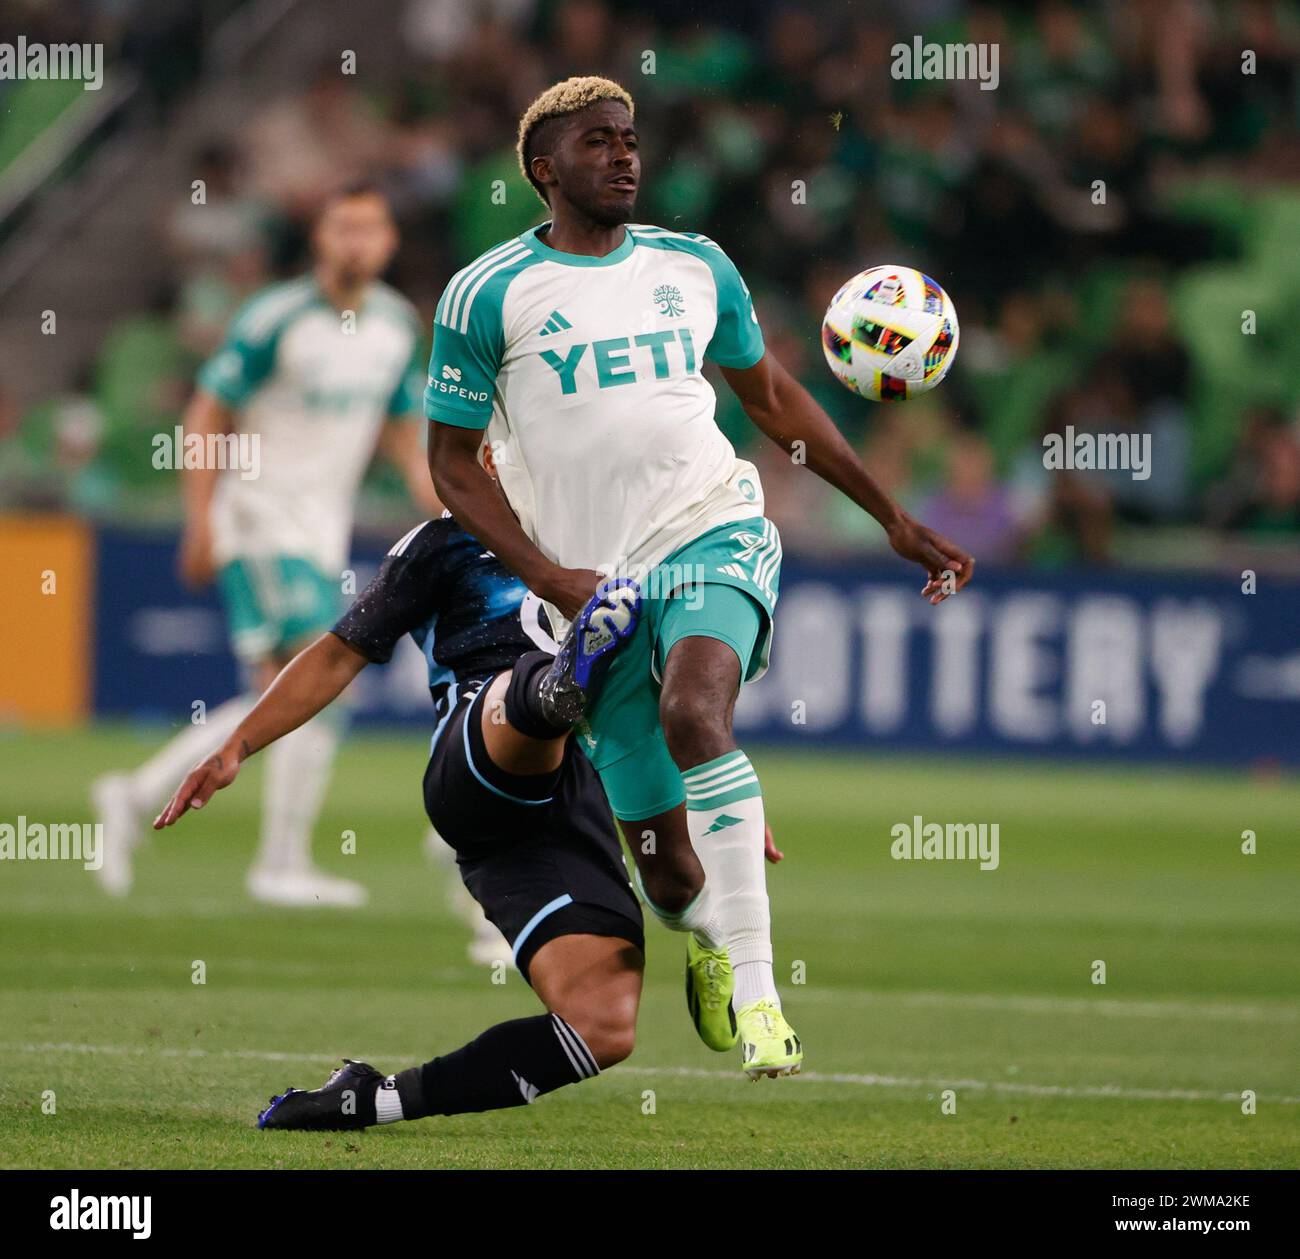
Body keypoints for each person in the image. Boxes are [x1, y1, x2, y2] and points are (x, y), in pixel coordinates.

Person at [425, 77, 975, 1078]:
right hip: (596, 595)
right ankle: (711, 939)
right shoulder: (485, 293)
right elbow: (452, 465)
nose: (625, 156)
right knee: (669, 874)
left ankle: (765, 999)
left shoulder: (694, 267)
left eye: (630, 139)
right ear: (545, 170)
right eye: (597, 143)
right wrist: (549, 576)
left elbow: (770, 399)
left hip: (712, 528)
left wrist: (891, 515)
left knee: (697, 710)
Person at [154, 505, 669, 1129]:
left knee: (603, 1025)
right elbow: (338, 653)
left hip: (568, 804)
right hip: (476, 754)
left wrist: (719, 790)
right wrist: (239, 743)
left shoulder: (611, 528)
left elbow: (669, 694)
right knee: (524, 689)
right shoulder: (446, 540)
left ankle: (369, 1101)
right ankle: (555, 689)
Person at [92, 182, 440, 907]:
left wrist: (440, 502)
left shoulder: (394, 326)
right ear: (319, 237)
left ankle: (133, 795)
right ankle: (279, 862)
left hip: (320, 529)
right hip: (258, 516)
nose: (356, 241)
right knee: (323, 670)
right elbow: (206, 411)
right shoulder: (275, 317)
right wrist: (200, 517)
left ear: (388, 244)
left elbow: (402, 427)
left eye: (369, 229)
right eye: (342, 227)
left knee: (284, 691)